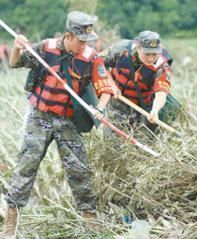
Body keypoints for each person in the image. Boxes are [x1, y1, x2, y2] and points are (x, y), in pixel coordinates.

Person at [2, 11, 114, 237]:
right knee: (26, 166)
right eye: (80, 41)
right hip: (40, 117)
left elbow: (106, 90)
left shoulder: (91, 58)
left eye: (87, 41)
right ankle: (11, 219)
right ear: (68, 36)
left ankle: (90, 221)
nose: (84, 45)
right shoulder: (46, 48)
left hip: (68, 121)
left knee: (80, 170)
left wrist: (99, 108)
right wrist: (17, 46)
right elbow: (15, 63)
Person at [101, 30, 181, 136]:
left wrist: (155, 110)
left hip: (143, 105)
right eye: (147, 54)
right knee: (113, 141)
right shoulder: (120, 49)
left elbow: (161, 91)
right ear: (138, 48)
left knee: (142, 140)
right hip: (118, 102)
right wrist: (111, 85)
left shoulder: (162, 65)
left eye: (154, 54)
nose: (151, 58)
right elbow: (100, 64)